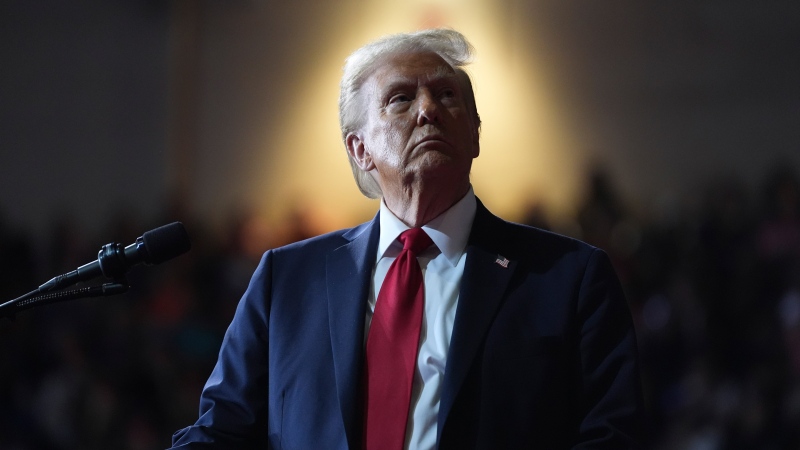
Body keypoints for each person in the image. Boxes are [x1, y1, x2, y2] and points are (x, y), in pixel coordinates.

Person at [170, 28, 644, 449]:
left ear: (475, 135)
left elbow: (612, 435)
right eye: (401, 98)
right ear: (360, 150)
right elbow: (222, 431)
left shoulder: (569, 279)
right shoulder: (287, 279)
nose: (428, 111)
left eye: (447, 95)